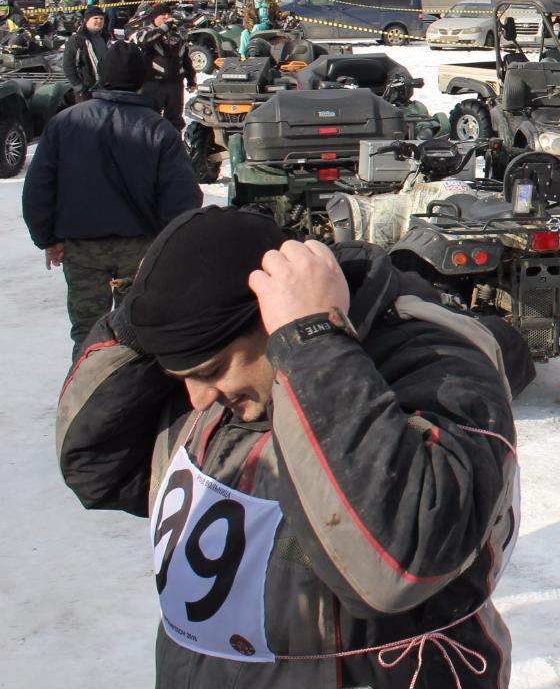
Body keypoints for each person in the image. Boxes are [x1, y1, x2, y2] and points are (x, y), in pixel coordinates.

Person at [56, 208, 520, 686]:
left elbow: (398, 561)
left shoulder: (437, 363)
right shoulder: (223, 386)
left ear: (272, 314)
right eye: (183, 378)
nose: (197, 399)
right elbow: (96, 466)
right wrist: (142, 320)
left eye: (213, 371)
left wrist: (312, 342)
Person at [22, 42, 202, 352]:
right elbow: (181, 197)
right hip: (142, 250)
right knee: (140, 333)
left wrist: (47, 238)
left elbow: (39, 187)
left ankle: (86, 393)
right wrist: (169, 246)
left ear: (101, 76)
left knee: (88, 335)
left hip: (82, 250)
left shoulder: (65, 123)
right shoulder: (158, 129)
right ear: (140, 79)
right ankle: (137, 395)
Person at [135, 8, 197, 129]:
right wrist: (164, 28)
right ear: (155, 17)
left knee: (175, 120)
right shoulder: (146, 30)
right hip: (153, 82)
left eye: (169, 14)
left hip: (175, 84)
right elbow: (144, 42)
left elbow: (185, 58)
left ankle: (173, 144)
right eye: (163, 14)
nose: (167, 17)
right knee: (150, 118)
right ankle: (149, 146)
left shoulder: (177, 33)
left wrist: (191, 79)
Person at [62, 7, 109, 101]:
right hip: (86, 91)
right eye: (95, 18)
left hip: (103, 88)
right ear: (87, 20)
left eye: (101, 18)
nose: (99, 21)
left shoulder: (103, 38)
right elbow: (68, 65)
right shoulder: (77, 40)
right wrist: (79, 86)